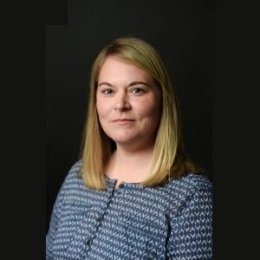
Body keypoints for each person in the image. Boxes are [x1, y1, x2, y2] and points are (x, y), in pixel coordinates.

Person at [46, 37, 212, 259]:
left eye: (137, 90)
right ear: (95, 101)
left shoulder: (191, 195)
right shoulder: (77, 177)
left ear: (163, 98)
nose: (120, 104)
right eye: (108, 91)